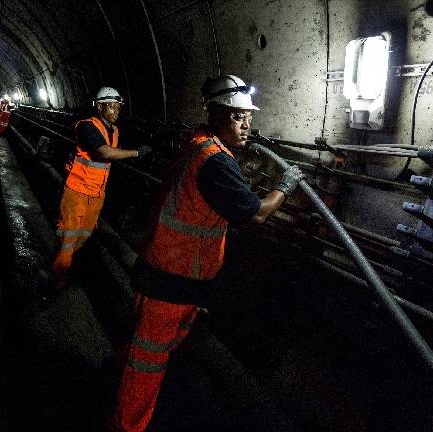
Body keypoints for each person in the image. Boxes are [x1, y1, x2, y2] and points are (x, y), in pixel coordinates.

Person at [111, 75, 304, 432]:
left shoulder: (198, 143)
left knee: (146, 350)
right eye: (235, 116)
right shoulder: (214, 161)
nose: (245, 124)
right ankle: (127, 425)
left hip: (173, 273)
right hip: (171, 279)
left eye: (247, 116)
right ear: (216, 115)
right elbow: (258, 212)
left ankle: (120, 391)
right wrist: (285, 185)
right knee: (148, 361)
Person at [47, 86, 152, 298]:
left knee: (82, 238)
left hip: (95, 196)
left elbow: (111, 154)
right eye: (111, 107)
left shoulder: (114, 131)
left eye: (118, 107)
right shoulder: (87, 127)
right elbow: (104, 152)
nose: (116, 111)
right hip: (76, 193)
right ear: (99, 107)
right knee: (68, 242)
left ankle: (61, 270)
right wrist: (137, 152)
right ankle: (54, 286)